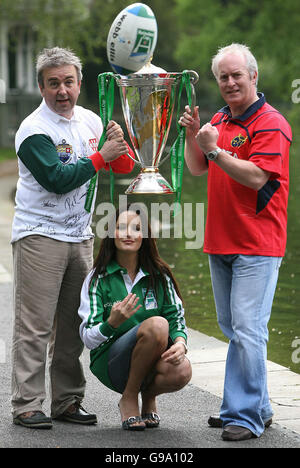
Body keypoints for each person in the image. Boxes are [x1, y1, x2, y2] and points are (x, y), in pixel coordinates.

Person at [11, 47, 135, 429]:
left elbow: (125, 167)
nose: (61, 90)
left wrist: (120, 141)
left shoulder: (91, 121)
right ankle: (26, 404)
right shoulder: (33, 130)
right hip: (39, 235)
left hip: (80, 235)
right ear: (41, 87)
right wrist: (101, 157)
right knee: (35, 326)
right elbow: (58, 179)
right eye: (53, 83)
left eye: (68, 82)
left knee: (72, 325)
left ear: (79, 84)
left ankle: (67, 401)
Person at [179, 43, 292, 441]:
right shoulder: (220, 120)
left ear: (253, 76)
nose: (229, 82)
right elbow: (197, 168)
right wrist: (196, 137)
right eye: (222, 77)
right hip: (220, 240)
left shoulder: (272, 123)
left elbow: (258, 177)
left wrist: (215, 149)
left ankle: (243, 417)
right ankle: (256, 406)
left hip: (258, 244)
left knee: (247, 328)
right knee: (233, 327)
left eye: (236, 75)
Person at [78, 206, 192, 430]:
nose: (128, 233)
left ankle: (148, 397)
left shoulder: (160, 276)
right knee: (157, 325)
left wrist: (180, 343)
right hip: (111, 364)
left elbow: (176, 318)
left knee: (183, 370)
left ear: (145, 237)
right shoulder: (97, 278)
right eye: (121, 227)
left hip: (150, 361)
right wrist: (112, 323)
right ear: (111, 234)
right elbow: (88, 340)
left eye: (136, 228)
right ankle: (129, 397)